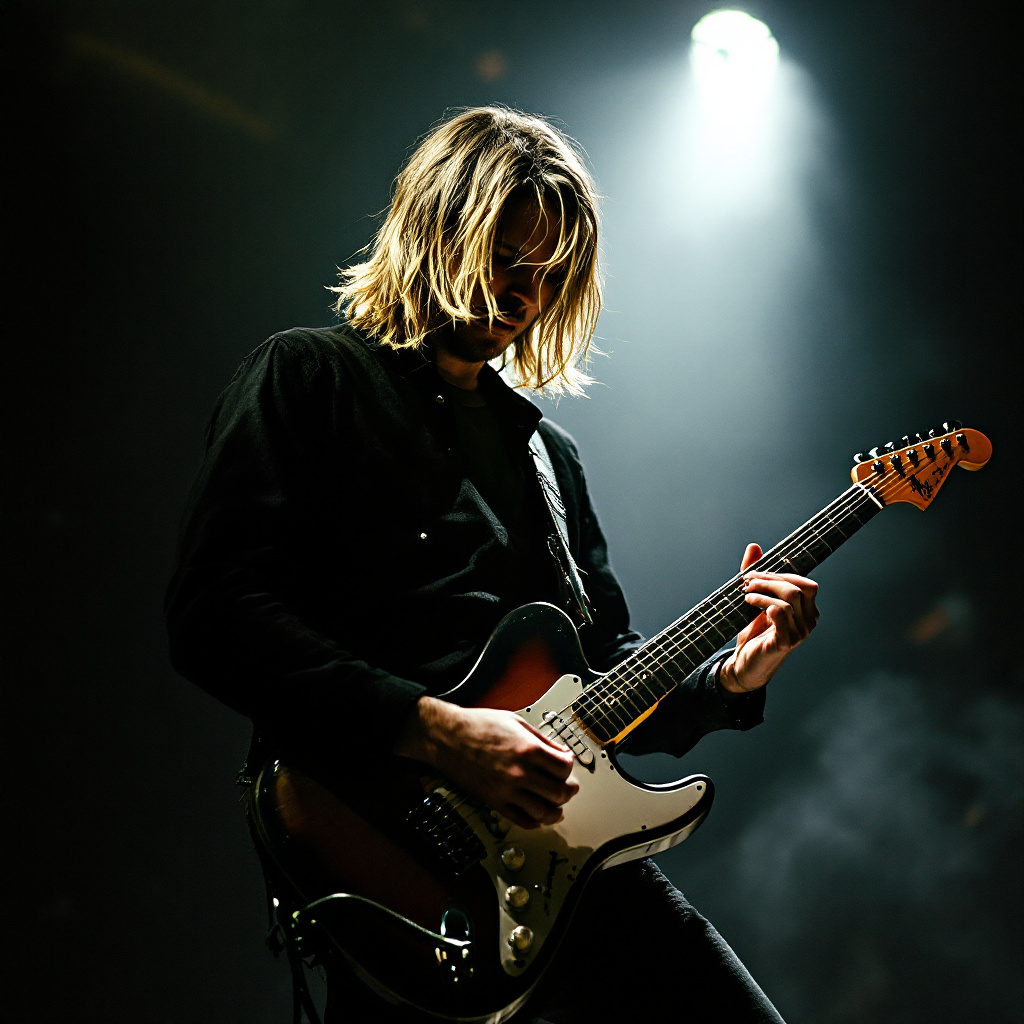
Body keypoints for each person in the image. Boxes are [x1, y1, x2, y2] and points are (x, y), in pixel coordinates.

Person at [166, 106, 820, 1023]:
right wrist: (439, 732)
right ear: (436, 227)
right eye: (506, 257)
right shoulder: (308, 380)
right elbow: (214, 616)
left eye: (549, 274)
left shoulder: (550, 459)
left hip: (564, 864)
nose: (524, 292)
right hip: (391, 853)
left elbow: (599, 683)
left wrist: (732, 677)